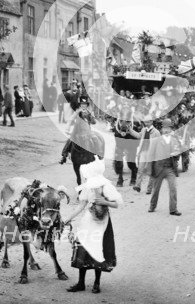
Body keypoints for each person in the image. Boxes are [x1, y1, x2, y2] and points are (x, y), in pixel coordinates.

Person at [63, 157, 122, 294]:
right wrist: (68, 218)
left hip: (102, 222)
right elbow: (81, 206)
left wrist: (104, 201)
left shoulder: (105, 186)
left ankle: (96, 283)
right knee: (83, 249)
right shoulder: (87, 187)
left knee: (97, 250)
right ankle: (81, 283)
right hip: (88, 221)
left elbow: (116, 204)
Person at [148, 119, 182, 216]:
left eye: (168, 128)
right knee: (156, 189)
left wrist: (175, 153)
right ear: (161, 129)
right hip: (158, 168)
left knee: (173, 188)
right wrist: (151, 169)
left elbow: (177, 152)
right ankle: (152, 205)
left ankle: (173, 209)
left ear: (171, 129)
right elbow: (151, 155)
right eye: (164, 128)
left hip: (169, 169)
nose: (166, 130)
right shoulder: (156, 141)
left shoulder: (174, 140)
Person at [129, 115, 160, 194]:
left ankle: (149, 189)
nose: (146, 123)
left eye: (148, 121)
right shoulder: (143, 130)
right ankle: (138, 186)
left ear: (152, 122)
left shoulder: (156, 132)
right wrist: (130, 130)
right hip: (143, 152)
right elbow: (139, 136)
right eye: (145, 122)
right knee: (140, 169)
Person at [112, 110, 138, 187]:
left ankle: (133, 177)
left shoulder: (133, 129)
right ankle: (120, 178)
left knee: (131, 160)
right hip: (120, 144)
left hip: (132, 143)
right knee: (119, 159)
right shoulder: (117, 131)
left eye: (127, 121)